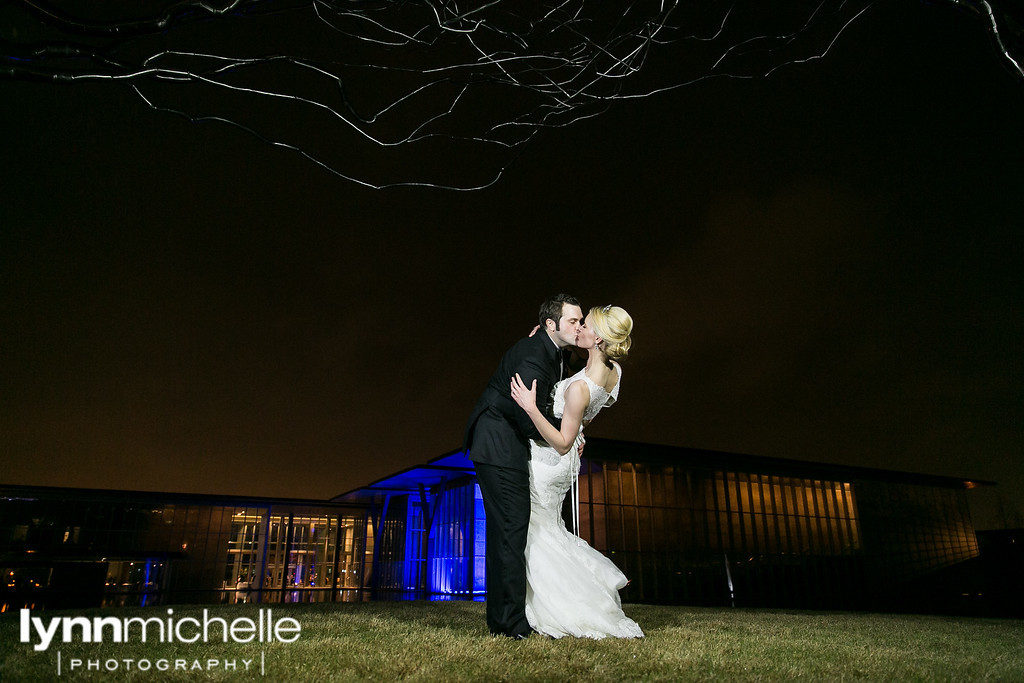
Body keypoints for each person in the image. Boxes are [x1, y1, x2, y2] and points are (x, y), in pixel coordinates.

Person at [509, 304, 643, 639]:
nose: (579, 328)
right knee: (547, 530)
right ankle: (565, 599)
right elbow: (590, 413)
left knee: (537, 534)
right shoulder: (613, 373)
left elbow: (562, 442)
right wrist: (580, 430)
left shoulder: (579, 387)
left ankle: (558, 607)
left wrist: (530, 408)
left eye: (585, 325)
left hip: (550, 461)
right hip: (565, 465)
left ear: (597, 339)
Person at [464, 294, 583, 638]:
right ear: (551, 325)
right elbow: (531, 424)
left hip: (505, 441)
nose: (578, 327)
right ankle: (510, 624)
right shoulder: (534, 356)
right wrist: (568, 434)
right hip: (499, 444)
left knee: (511, 530)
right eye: (573, 321)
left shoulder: (554, 351)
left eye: (580, 321)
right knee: (510, 530)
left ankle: (505, 618)